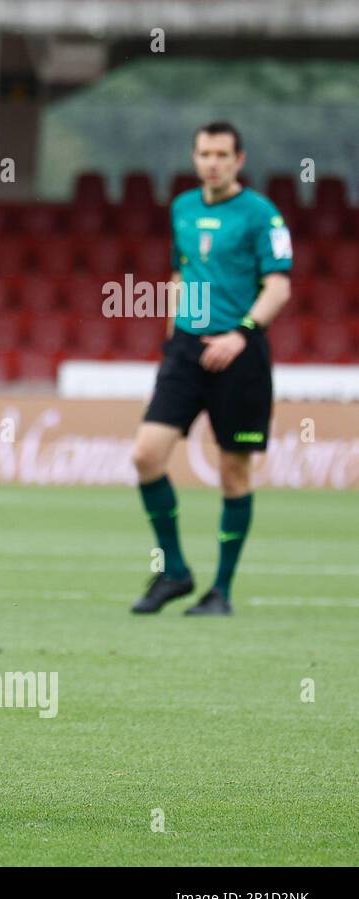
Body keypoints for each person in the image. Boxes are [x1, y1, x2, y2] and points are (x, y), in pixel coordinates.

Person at [130, 121, 292, 616]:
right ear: (195, 157)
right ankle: (176, 571)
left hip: (240, 356)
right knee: (146, 456)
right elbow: (180, 275)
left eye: (222, 154)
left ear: (239, 160)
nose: (212, 162)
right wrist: (169, 338)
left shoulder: (263, 215)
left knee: (233, 473)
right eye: (204, 153)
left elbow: (279, 287)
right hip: (185, 352)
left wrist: (240, 333)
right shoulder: (182, 207)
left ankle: (220, 590)